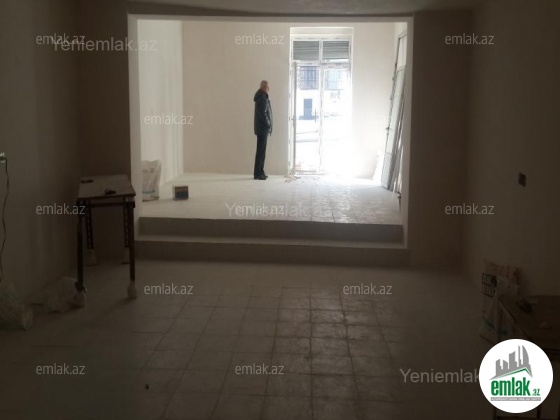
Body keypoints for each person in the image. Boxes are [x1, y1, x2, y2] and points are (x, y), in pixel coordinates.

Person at [253, 80, 273, 180]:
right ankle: (258, 173)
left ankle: (260, 171)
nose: (269, 89)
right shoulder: (262, 98)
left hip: (261, 128)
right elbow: (263, 113)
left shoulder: (261, 97)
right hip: (263, 129)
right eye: (268, 87)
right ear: (264, 87)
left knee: (261, 152)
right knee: (261, 152)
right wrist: (268, 124)